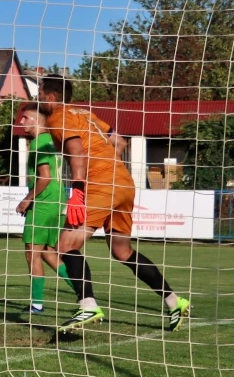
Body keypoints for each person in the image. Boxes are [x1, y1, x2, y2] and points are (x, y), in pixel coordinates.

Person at [38, 75, 191, 333]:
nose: (37, 99)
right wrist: (111, 167)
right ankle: (176, 302)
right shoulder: (86, 114)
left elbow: (76, 151)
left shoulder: (57, 117)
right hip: (123, 182)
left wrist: (77, 188)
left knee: (65, 244)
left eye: (39, 94)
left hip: (99, 183)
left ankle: (87, 305)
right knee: (122, 251)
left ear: (50, 96)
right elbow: (119, 141)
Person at [15, 104, 76, 314]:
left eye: (25, 118)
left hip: (44, 203)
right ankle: (84, 296)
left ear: (37, 120)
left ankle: (37, 304)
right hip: (58, 202)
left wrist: (28, 199)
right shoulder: (52, 140)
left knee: (32, 253)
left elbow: (45, 176)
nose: (21, 122)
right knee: (49, 253)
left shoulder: (39, 141)